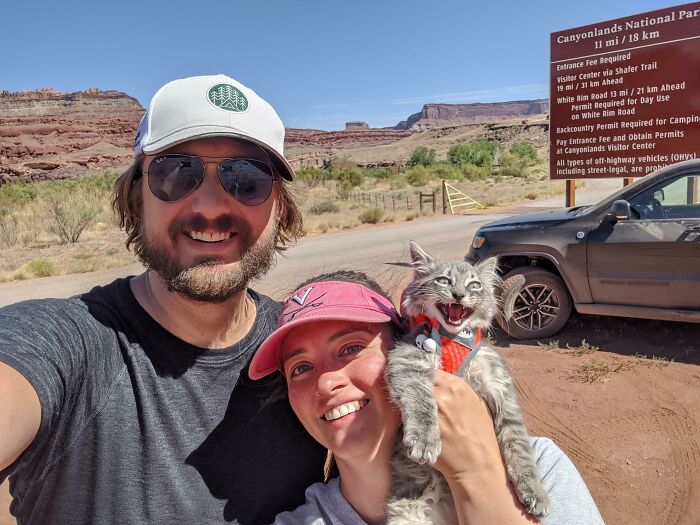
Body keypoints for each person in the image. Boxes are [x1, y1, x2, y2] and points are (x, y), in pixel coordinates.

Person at [0, 74, 329, 524]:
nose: (212, 207)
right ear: (135, 196)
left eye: (247, 179)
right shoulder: (64, 342)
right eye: (177, 173)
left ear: (279, 208)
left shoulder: (307, 349)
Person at [248, 271, 606, 525]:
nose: (326, 383)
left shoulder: (540, 470)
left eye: (352, 348)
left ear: (406, 350)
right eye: (300, 368)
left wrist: (478, 477)